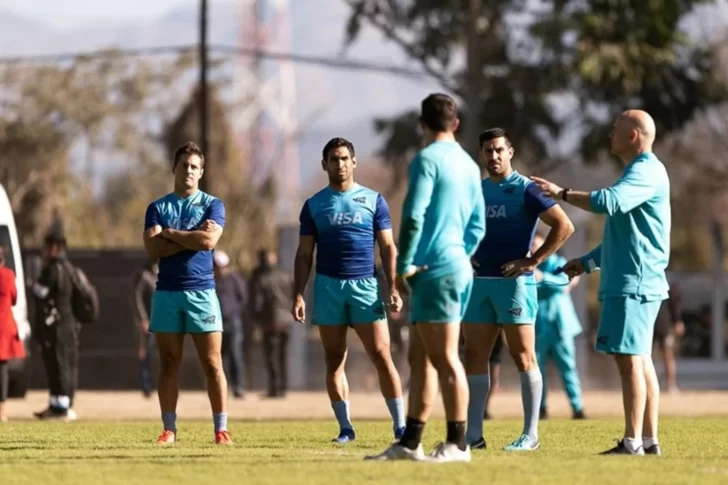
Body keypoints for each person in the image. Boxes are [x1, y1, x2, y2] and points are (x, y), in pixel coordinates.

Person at [532, 109, 670, 456]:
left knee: (630, 362)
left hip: (634, 284)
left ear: (633, 136)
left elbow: (608, 202)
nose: (610, 134)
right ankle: (648, 441)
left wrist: (561, 194)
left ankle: (632, 441)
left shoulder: (644, 171)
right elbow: (622, 239)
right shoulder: (642, 172)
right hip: (635, 280)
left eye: (615, 129)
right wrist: (586, 263)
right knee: (640, 360)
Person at [367, 93, 486, 462]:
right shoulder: (468, 164)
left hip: (434, 270)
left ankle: (458, 444)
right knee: (420, 357)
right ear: (455, 124)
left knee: (447, 357)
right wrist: (460, 255)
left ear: (422, 124)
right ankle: (410, 443)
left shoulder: (427, 160)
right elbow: (478, 225)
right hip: (453, 266)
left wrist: (406, 265)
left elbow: (415, 216)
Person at [462, 128, 574, 452]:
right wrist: (465, 255)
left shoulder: (525, 189)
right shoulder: (476, 190)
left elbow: (564, 225)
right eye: (487, 151)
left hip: (514, 285)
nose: (493, 156)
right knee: (474, 356)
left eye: (499, 150)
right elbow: (462, 229)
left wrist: (533, 260)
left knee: (523, 356)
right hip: (479, 284)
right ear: (481, 155)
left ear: (510, 151)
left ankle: (531, 435)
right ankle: (473, 435)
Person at [292, 137, 406, 444]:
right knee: (334, 361)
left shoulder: (373, 200)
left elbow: (387, 246)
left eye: (344, 158)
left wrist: (393, 286)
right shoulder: (314, 205)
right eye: (333, 159)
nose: (339, 164)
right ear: (324, 164)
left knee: (382, 355)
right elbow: (304, 255)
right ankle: (345, 428)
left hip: (366, 287)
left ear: (353, 162)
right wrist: (299, 294)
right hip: (328, 287)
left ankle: (400, 427)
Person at [142, 141, 232, 445]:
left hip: (202, 293)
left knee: (212, 363)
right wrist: (192, 237)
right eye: (184, 165)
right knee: (168, 362)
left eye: (195, 166)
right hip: (167, 293)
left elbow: (208, 242)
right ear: (174, 168)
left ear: (202, 171)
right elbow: (153, 249)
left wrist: (170, 233)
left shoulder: (212, 205)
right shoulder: (157, 207)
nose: (189, 171)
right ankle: (169, 429)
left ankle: (221, 430)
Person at [530, 233, 586, 420]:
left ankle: (578, 409)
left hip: (560, 327)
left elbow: (564, 282)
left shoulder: (558, 262)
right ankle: (541, 408)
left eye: (538, 245)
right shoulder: (528, 268)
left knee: (568, 368)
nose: (534, 250)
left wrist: (542, 277)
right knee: (539, 371)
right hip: (538, 327)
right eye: (532, 247)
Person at [31, 233, 79, 421]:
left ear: (55, 248)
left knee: (59, 365)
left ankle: (62, 408)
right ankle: (56, 404)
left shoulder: (53, 269)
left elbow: (40, 292)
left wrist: (32, 285)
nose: (43, 252)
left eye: (46, 247)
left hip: (57, 327)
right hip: (67, 325)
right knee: (58, 365)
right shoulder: (69, 269)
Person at [249, 249, 293, 398]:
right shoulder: (286, 275)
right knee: (283, 356)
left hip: (270, 320)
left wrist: (255, 319)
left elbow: (257, 301)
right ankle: (283, 387)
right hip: (286, 320)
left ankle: (274, 388)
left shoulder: (261, 277)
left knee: (271, 356)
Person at [213, 250, 246, 399]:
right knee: (218, 357)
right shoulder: (210, 281)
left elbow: (243, 298)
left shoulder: (234, 279)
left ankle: (237, 387)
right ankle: (220, 387)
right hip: (215, 324)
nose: (220, 269)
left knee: (235, 355)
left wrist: (234, 311)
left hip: (232, 322)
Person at [0, 246, 24, 422]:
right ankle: (2, 409)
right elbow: (14, 298)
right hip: (4, 327)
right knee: (2, 369)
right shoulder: (8, 275)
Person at [132, 259, 158, 398]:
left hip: (163, 322)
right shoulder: (144, 276)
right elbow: (137, 297)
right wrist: (143, 319)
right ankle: (146, 386)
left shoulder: (161, 275)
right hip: (149, 323)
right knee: (146, 354)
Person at [653, 282, 684, 393]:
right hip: (649, 326)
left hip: (663, 327)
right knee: (644, 357)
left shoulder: (665, 284)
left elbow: (673, 305)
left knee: (668, 355)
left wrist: (677, 321)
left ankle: (671, 385)